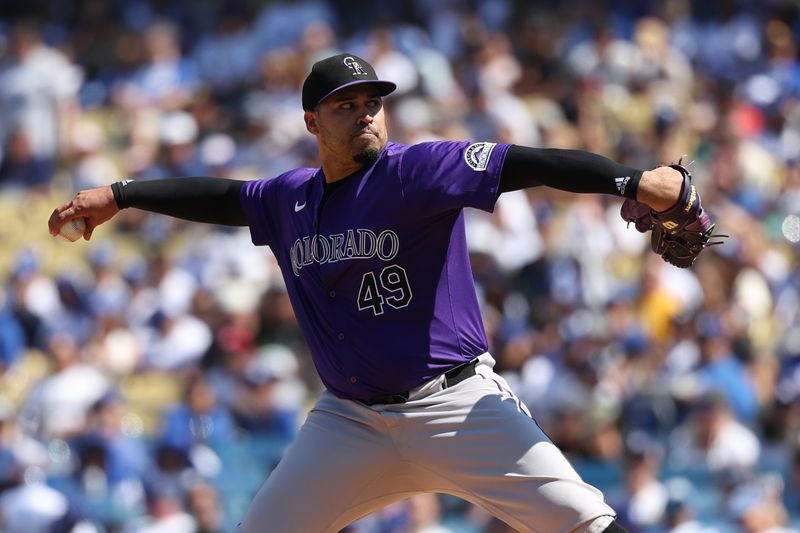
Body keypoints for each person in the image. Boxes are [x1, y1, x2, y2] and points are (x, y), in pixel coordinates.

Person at [49, 53, 716, 533]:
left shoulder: (419, 169)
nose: (365, 115)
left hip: (456, 402)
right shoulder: (287, 199)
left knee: (583, 521)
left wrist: (629, 181)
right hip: (351, 421)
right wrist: (120, 194)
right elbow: (223, 197)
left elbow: (526, 163)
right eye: (347, 106)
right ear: (313, 121)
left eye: (373, 103)